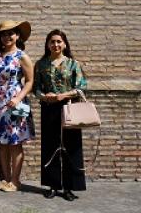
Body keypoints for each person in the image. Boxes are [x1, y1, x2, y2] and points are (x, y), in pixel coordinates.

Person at [34, 29, 87, 201]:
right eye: (52, 42)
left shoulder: (73, 64)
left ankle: (70, 188)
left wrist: (63, 95)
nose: (55, 45)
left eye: (59, 41)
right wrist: (44, 96)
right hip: (49, 108)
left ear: (64, 44)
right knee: (50, 147)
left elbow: (81, 87)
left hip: (69, 107)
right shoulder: (41, 64)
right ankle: (53, 186)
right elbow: (36, 88)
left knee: (71, 147)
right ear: (47, 44)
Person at [0, 20, 35, 192]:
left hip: (16, 102)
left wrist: (18, 98)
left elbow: (30, 82)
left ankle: (15, 181)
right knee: (1, 143)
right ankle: (6, 178)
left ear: (17, 36)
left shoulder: (22, 56)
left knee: (15, 142)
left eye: (10, 33)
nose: (7, 37)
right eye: (3, 34)